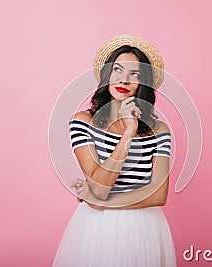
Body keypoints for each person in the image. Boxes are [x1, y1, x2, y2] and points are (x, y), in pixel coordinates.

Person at [52, 34, 176, 267]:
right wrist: (128, 133)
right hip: (97, 230)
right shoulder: (83, 121)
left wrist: (104, 203)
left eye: (134, 74)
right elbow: (99, 187)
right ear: (107, 74)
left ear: (143, 83)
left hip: (145, 230)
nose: (124, 80)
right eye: (118, 70)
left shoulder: (159, 131)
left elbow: (159, 195)